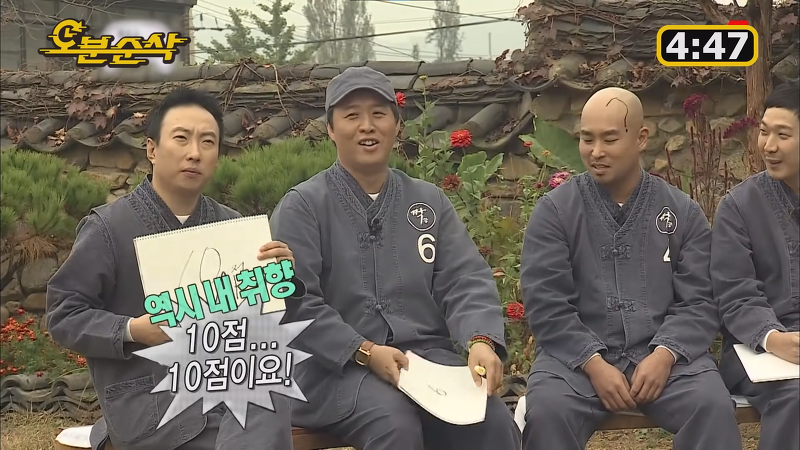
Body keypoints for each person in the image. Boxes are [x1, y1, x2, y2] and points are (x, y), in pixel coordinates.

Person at [269, 66, 521, 450]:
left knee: (490, 419)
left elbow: (464, 278)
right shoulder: (302, 206)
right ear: (331, 129)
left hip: (425, 362)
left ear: (397, 125)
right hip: (332, 370)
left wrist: (481, 340)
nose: (367, 126)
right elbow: (295, 303)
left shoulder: (428, 201)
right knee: (393, 422)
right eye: (352, 116)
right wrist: (364, 351)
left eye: (378, 114)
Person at [46, 87, 302, 450]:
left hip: (227, 381)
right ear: (152, 149)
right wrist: (133, 330)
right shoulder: (108, 228)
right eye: (181, 138)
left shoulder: (233, 226)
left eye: (208, 142)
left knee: (267, 389)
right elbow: (64, 315)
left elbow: (262, 326)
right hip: (150, 398)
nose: (194, 153)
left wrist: (280, 281)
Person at [520, 87, 743, 450]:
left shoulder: (682, 212)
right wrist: (592, 363)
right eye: (587, 139)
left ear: (641, 138)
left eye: (609, 139)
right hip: (573, 362)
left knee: (711, 407)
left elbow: (701, 299)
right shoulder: (556, 211)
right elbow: (546, 303)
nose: (596, 151)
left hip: (669, 362)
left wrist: (665, 354)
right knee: (548, 412)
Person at [711, 79, 800, 450]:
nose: (769, 146)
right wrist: (774, 338)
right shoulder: (739, 207)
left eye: (783, 135)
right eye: (764, 132)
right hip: (758, 349)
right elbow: (735, 292)